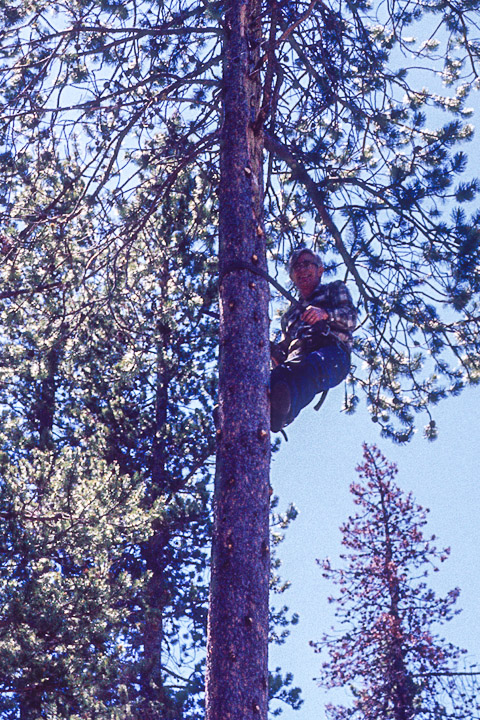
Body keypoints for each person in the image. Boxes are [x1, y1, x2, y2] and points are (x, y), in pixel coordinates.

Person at [270, 248, 357, 432]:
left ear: (320, 270)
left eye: (307, 264)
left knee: (312, 367)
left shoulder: (334, 289)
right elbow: (285, 349)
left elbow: (350, 318)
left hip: (333, 352)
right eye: (296, 267)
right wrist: (276, 352)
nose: (301, 270)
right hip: (299, 354)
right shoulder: (290, 316)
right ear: (292, 277)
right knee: (276, 377)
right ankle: (234, 411)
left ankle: (283, 413)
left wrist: (324, 314)